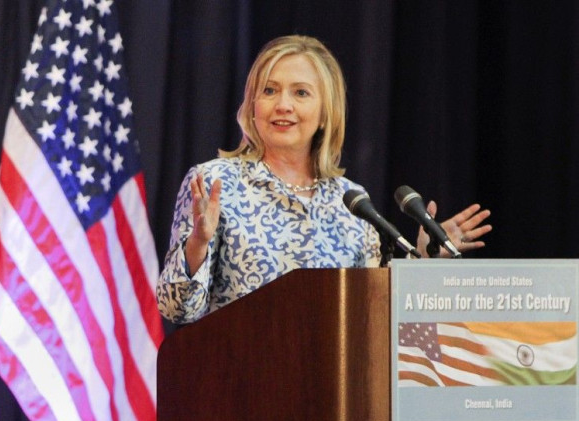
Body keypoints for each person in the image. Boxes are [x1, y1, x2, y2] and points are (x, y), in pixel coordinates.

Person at [156, 35, 491, 324]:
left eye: (300, 93)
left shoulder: (353, 201)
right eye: (270, 90)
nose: (283, 104)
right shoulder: (215, 182)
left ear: (324, 113)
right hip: (245, 383)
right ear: (253, 105)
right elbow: (176, 310)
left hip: (335, 390)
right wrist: (197, 243)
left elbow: (376, 313)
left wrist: (423, 260)